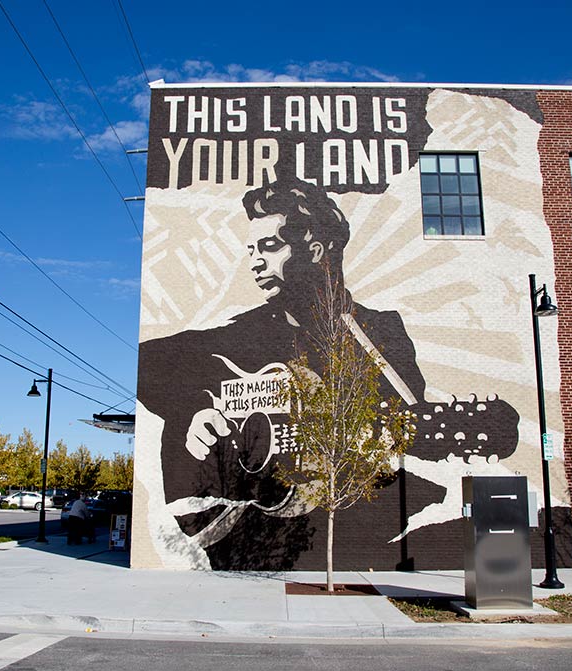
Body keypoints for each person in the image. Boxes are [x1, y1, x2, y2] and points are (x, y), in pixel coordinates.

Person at [137, 178, 518, 569]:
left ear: (314, 249)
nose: (254, 261)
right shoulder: (244, 333)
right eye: (252, 250)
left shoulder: (380, 333)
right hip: (227, 519)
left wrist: (389, 437)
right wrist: (194, 408)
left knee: (428, 508)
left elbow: (401, 431)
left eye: (269, 247)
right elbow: (148, 359)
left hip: (333, 512)